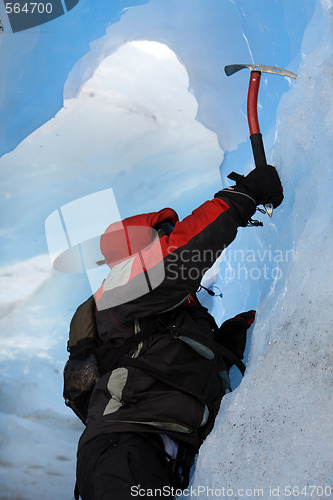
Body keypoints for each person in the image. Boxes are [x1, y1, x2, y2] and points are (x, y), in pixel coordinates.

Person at [63, 165, 283, 500]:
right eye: (163, 234)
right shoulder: (123, 284)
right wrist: (243, 196)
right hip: (128, 449)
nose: (170, 237)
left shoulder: (163, 316)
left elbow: (157, 373)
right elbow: (181, 257)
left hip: (141, 451)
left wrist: (220, 354)